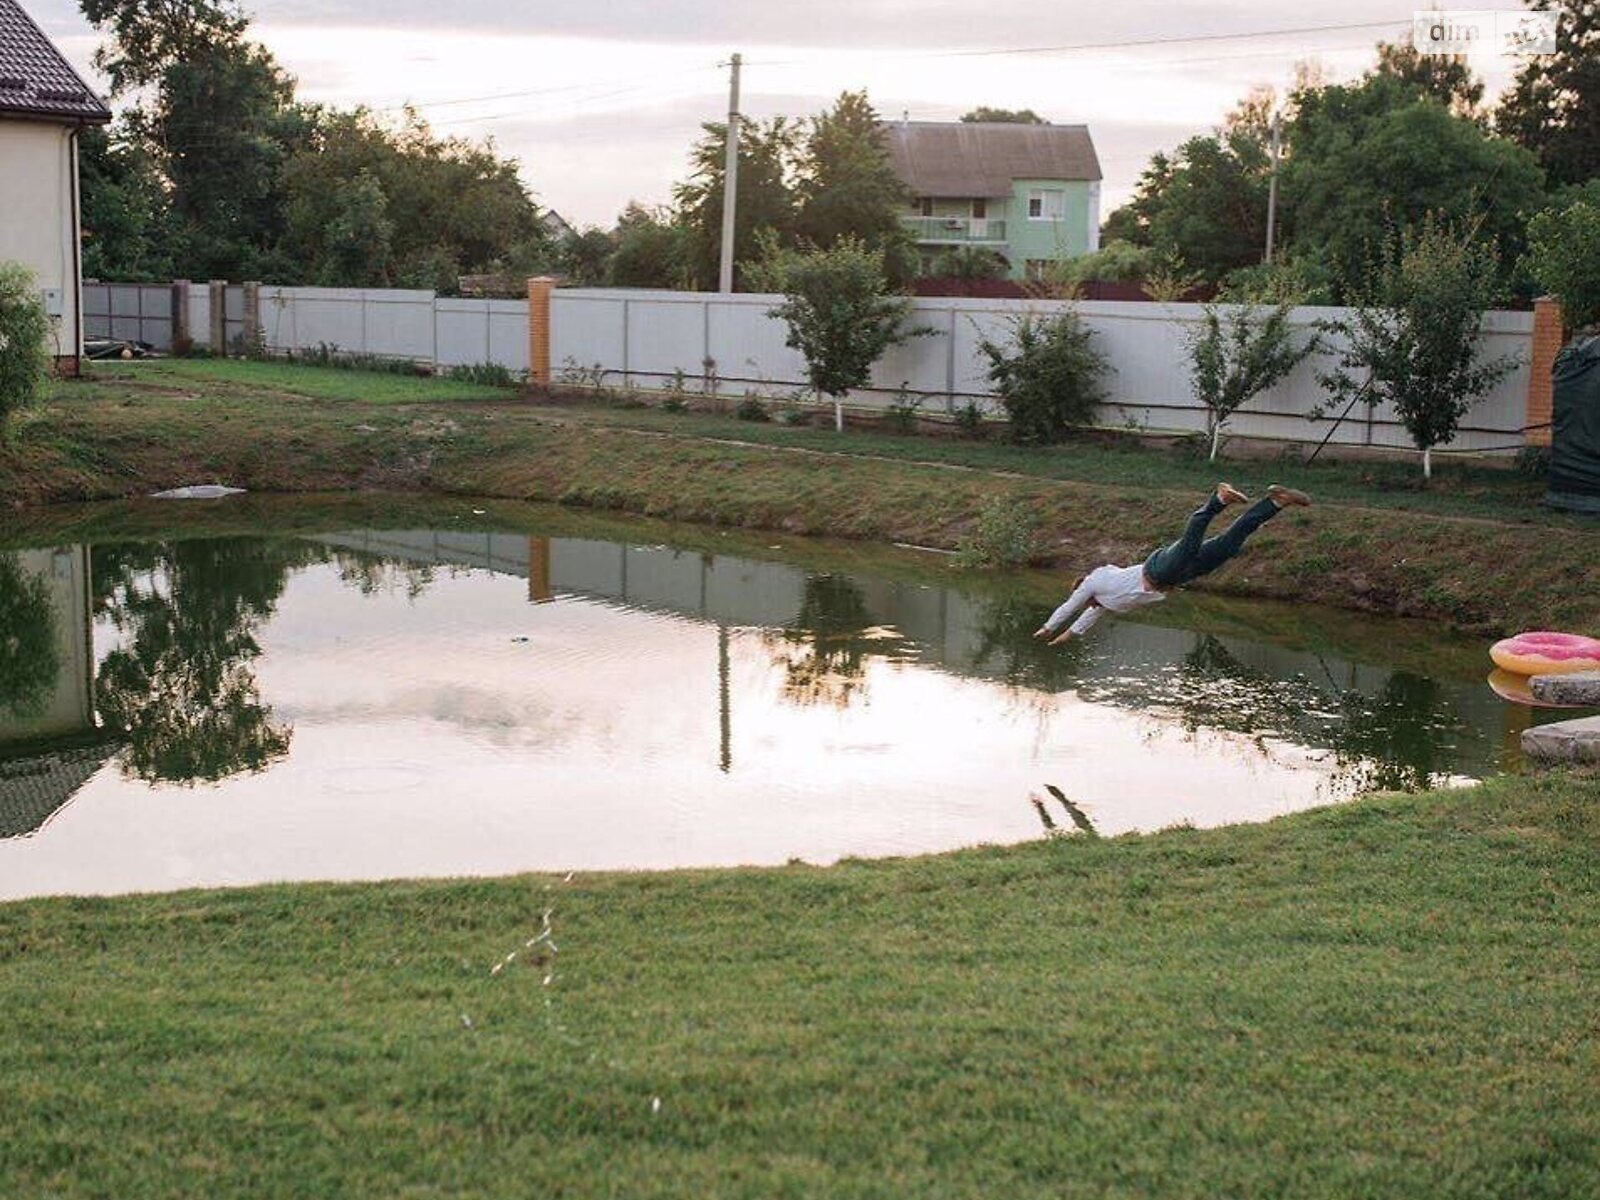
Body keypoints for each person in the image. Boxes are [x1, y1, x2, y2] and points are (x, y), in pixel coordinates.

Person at [1035, 483, 1310, 643]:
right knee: (1229, 545)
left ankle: (1219, 498)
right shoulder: (1102, 604)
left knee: (1191, 540)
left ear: (1086, 591)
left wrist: (1048, 627)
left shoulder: (1095, 582)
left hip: (1158, 569)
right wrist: (1063, 637)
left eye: (1088, 601)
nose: (1089, 607)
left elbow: (1070, 606)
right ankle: (1276, 502)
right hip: (1178, 577)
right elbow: (1082, 622)